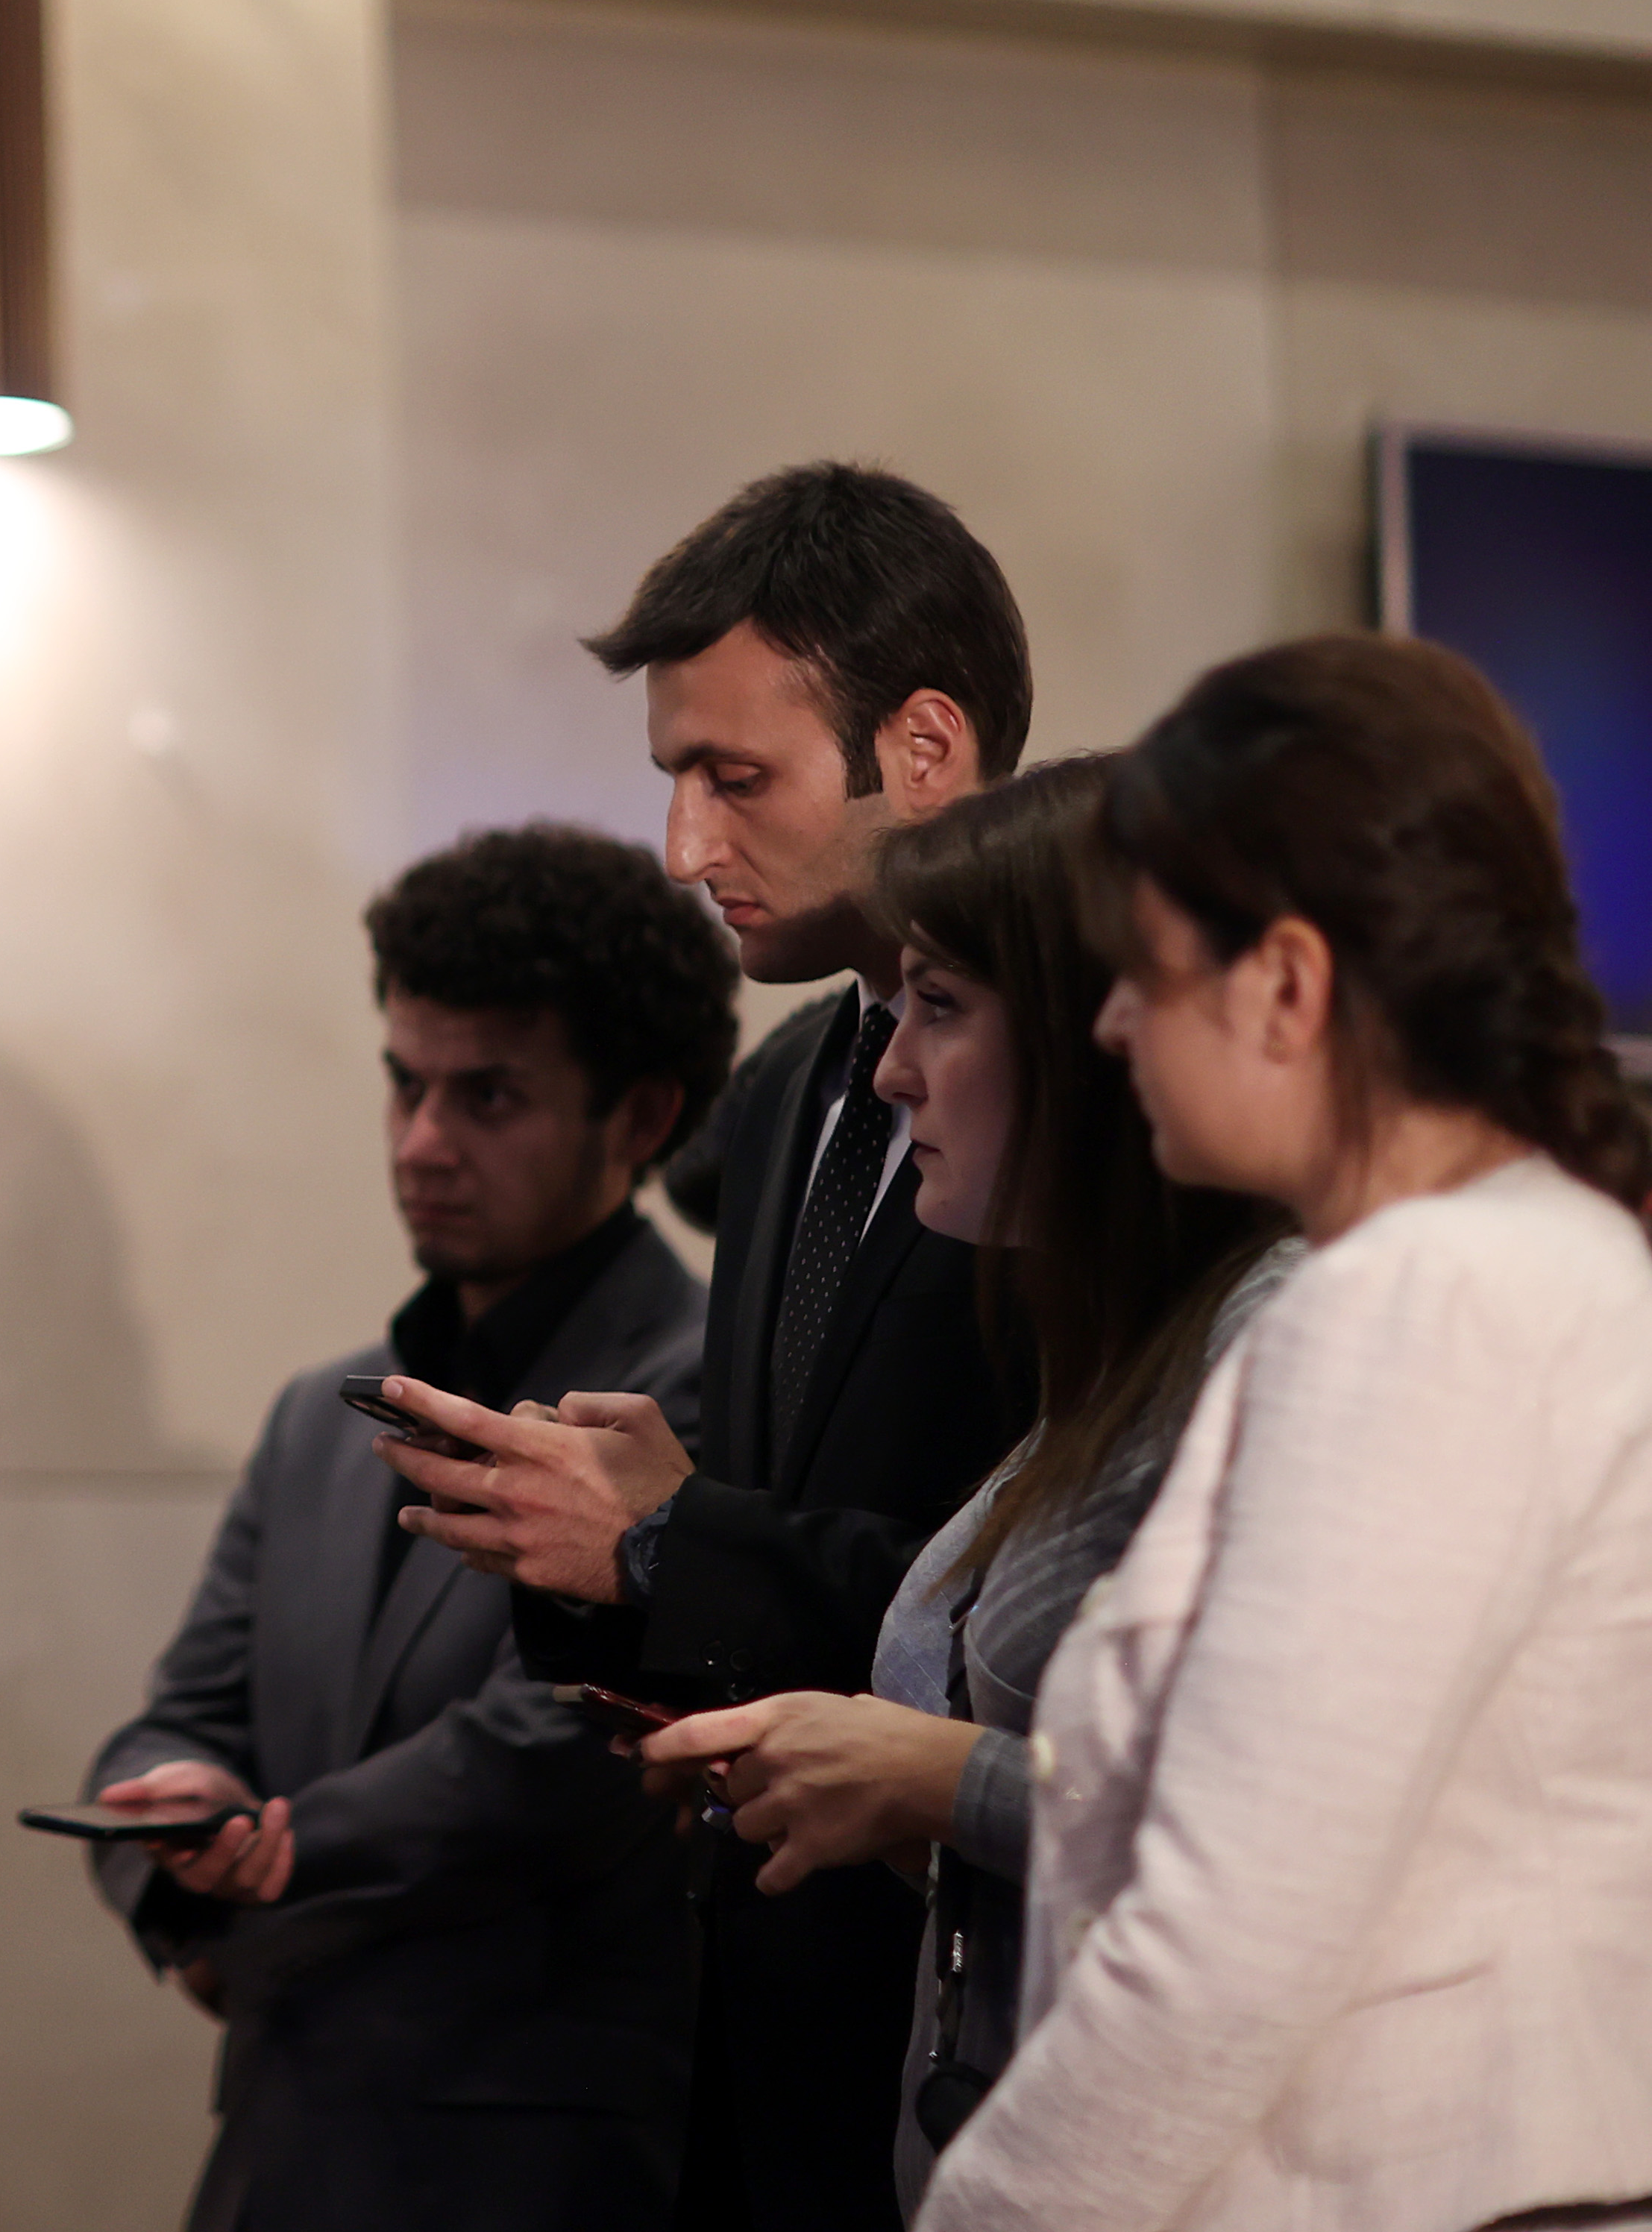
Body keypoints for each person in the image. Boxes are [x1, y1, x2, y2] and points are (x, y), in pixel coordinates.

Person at [376, 462, 1044, 2231]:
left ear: (921, 748)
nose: (683, 851)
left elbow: (1058, 1618)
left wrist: (677, 1539)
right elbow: (759, 1539)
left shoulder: (1097, 1098)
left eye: (733, 779)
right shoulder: (792, 1081)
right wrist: (599, 1560)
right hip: (755, 2031)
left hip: (988, 2038)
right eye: (673, 780)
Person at [913, 637, 1652, 2231]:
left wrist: (991, 2215)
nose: (1113, 1025)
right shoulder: (1510, 1260)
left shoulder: (1421, 1300)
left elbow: (1229, 1936)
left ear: (1289, 985)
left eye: (1144, 970)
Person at [624, 758, 1290, 2210]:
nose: (891, 1069)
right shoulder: (1108, 1351)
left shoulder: (1277, 1334)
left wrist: (923, 1774)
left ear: (1093, 1027)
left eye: (940, 1006)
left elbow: (1277, 1826)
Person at [82, 825, 741, 2232]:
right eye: (405, 1083)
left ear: (639, 1116)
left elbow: (559, 1749)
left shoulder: (699, 1395)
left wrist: (258, 1850)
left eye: (487, 1095)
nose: (422, 1142)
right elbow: (173, 1719)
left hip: (540, 2173)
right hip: (280, 2152)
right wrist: (170, 1832)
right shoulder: (314, 1417)